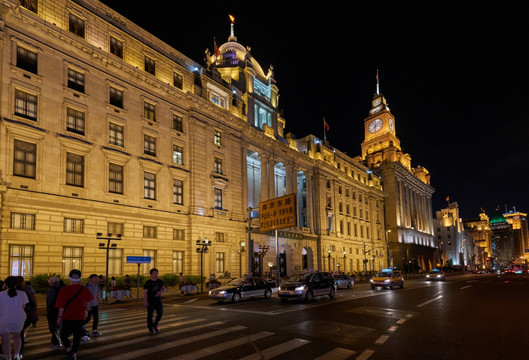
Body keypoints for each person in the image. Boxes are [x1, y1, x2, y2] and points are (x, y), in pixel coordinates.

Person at [56, 269, 93, 360]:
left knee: (63, 335)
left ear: (69, 278)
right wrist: (86, 312)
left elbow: (61, 306)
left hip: (67, 316)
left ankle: (69, 349)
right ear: (80, 278)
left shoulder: (64, 290)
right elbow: (89, 303)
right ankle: (74, 353)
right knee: (77, 335)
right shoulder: (84, 289)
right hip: (79, 316)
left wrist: (59, 317)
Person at [0, 276, 29, 360]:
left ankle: (8, 358)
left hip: (4, 319)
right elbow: (23, 306)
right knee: (17, 337)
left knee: (5, 341)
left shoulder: (0, 295)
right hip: (18, 318)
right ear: (17, 284)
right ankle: (16, 356)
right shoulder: (22, 294)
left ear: (5, 284)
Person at [143, 268, 166, 335]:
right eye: (154, 274)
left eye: (157, 273)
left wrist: (160, 292)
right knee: (150, 315)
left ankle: (155, 325)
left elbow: (164, 288)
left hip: (158, 301)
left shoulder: (160, 281)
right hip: (150, 301)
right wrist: (145, 302)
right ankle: (151, 329)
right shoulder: (148, 283)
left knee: (160, 313)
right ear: (151, 274)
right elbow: (145, 293)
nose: (156, 275)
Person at [46, 277, 64, 348]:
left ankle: (56, 342)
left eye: (50, 281)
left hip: (53, 310)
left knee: (53, 327)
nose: (49, 282)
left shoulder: (52, 290)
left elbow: (49, 302)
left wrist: (48, 310)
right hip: (62, 310)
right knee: (60, 326)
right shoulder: (63, 288)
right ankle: (63, 341)